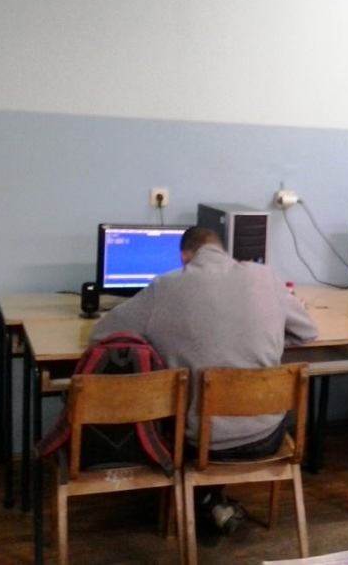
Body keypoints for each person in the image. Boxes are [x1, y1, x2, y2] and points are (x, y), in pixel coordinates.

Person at [90, 226, 318, 531]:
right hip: (265, 439)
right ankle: (211, 501)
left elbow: (101, 334)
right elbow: (308, 332)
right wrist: (266, 337)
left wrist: (163, 340)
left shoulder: (165, 287)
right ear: (224, 251)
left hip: (200, 444)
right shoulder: (266, 277)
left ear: (185, 257)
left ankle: (202, 502)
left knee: (171, 411)